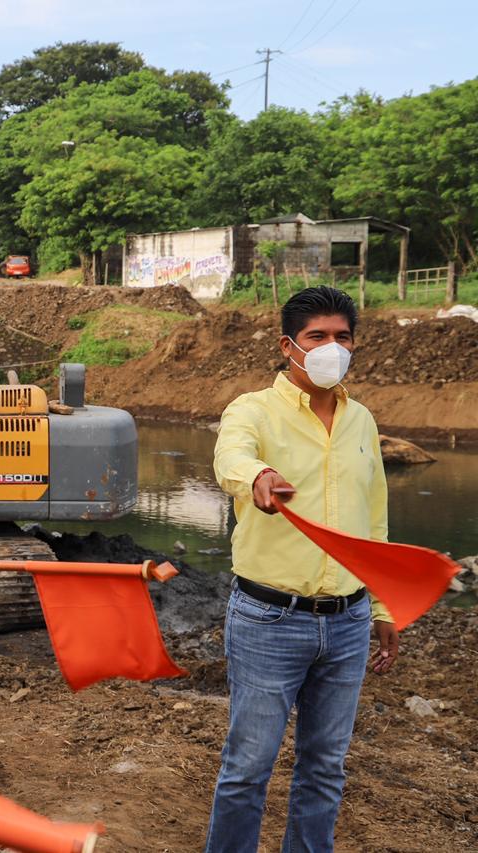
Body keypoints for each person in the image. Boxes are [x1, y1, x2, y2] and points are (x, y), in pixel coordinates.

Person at [205, 286, 399, 853]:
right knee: (248, 767)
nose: (330, 348)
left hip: (347, 622)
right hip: (269, 618)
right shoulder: (252, 410)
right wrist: (258, 476)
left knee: (326, 767)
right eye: (318, 337)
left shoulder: (361, 420)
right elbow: (231, 457)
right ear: (288, 345)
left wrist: (383, 606)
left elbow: (375, 521)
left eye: (342, 337)